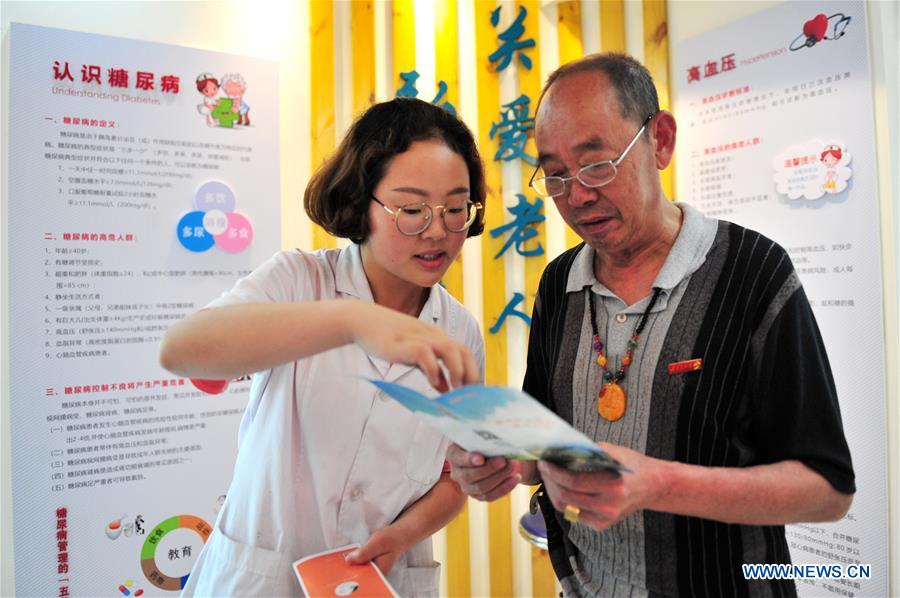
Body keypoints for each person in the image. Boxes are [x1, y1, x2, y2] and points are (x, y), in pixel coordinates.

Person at [447, 53, 855, 597]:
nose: (578, 196)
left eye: (597, 164)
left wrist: (660, 484)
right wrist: (502, 464)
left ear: (659, 141)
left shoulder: (754, 274)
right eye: (557, 175)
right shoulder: (560, 284)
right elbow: (546, 442)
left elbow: (828, 489)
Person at [160, 97, 487, 597]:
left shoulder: (459, 329)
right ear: (362, 202)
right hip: (261, 579)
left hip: (383, 579)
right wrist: (350, 319)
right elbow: (182, 351)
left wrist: (401, 536)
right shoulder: (299, 280)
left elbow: (451, 474)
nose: (438, 230)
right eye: (413, 209)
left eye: (456, 209)